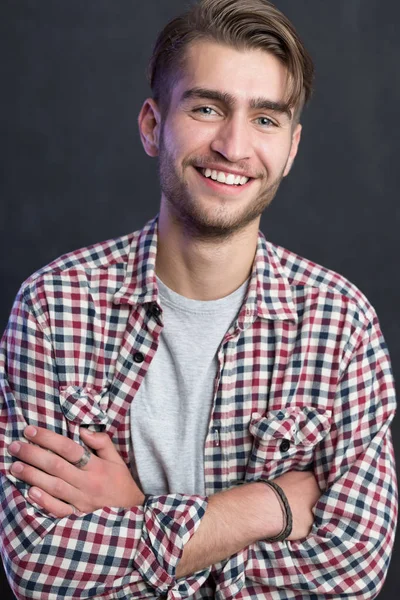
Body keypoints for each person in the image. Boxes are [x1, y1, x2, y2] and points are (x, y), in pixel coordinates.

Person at [0, 0, 397, 598]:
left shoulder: (341, 324)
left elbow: (353, 571)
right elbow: (38, 565)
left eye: (266, 119)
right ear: (152, 125)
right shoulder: (53, 308)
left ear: (291, 149)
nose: (234, 146)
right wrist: (263, 507)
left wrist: (138, 511)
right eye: (208, 108)